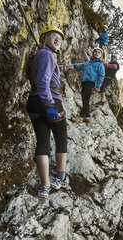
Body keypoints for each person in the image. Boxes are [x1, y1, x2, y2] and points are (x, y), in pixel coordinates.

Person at [26, 25, 69, 199]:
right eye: (53, 36)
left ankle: (44, 186)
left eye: (60, 38)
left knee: (43, 143)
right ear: (44, 39)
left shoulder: (37, 56)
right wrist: (50, 104)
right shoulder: (46, 55)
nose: (57, 39)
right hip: (49, 100)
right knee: (61, 139)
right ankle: (60, 177)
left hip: (34, 103)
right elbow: (43, 81)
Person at [71, 47, 105, 123]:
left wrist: (98, 86)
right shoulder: (87, 63)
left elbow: (101, 75)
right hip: (84, 83)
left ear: (101, 56)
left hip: (91, 83)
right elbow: (78, 68)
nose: (96, 53)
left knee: (85, 99)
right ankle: (85, 117)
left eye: (99, 52)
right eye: (95, 51)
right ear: (93, 53)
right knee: (84, 99)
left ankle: (85, 116)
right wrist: (74, 61)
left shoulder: (100, 65)